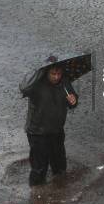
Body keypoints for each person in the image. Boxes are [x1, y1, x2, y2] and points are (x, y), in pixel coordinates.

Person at [19, 56, 79, 186]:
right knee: (39, 169)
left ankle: (58, 190)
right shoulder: (35, 85)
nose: (56, 77)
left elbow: (72, 101)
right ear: (46, 72)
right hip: (37, 132)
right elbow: (23, 88)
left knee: (60, 166)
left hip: (57, 131)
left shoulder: (64, 83)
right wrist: (38, 73)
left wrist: (74, 101)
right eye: (53, 73)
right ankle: (36, 194)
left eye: (59, 73)